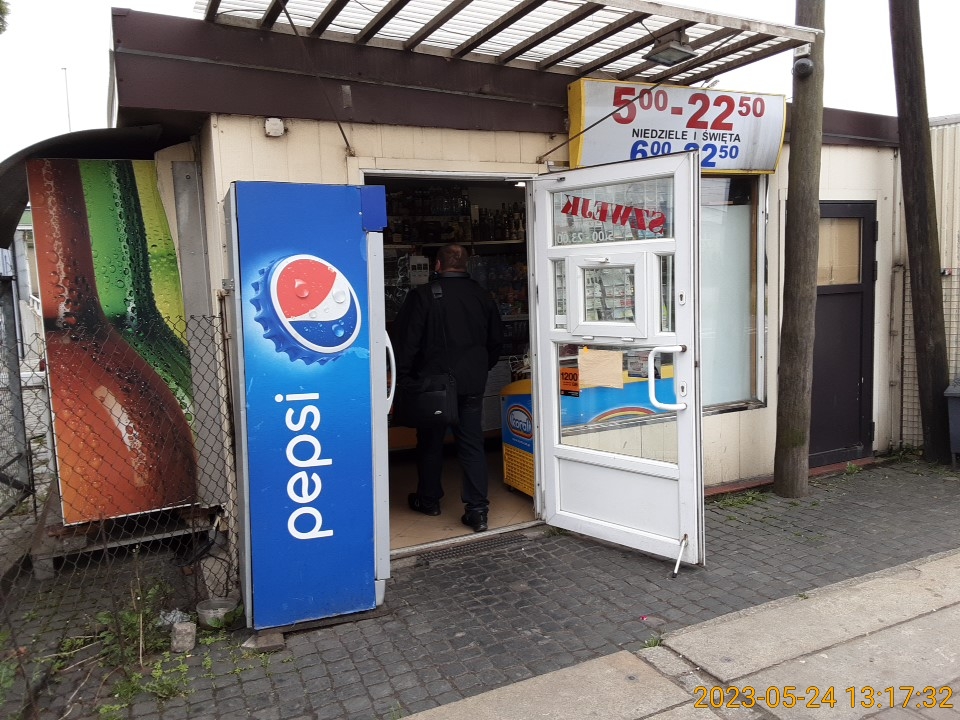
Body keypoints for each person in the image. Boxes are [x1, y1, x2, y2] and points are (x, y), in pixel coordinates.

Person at [392, 244, 504, 532]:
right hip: (472, 384)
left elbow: (407, 343)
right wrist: (480, 369)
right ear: (466, 265)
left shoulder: (423, 295)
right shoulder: (482, 295)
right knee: (472, 444)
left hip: (432, 385)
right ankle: (477, 511)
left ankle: (429, 500)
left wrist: (403, 378)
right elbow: (496, 342)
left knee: (430, 444)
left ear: (438, 265)